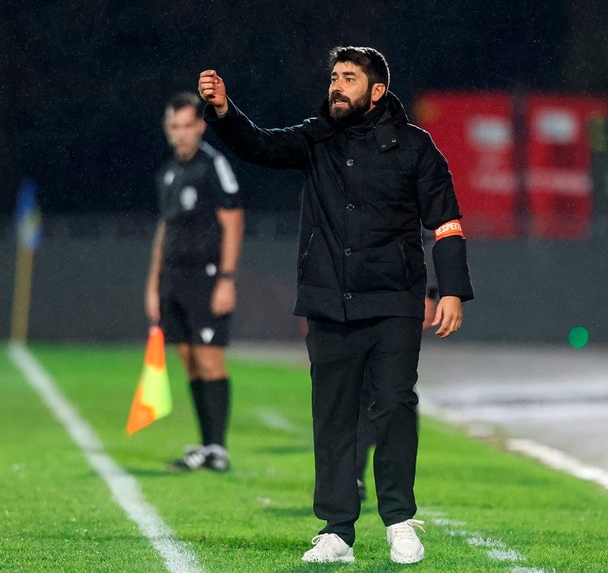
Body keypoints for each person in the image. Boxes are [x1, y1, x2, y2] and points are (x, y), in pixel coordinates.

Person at [198, 46, 473, 564]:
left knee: (394, 407)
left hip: (394, 301)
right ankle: (337, 532)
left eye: (349, 78)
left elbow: (447, 222)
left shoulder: (416, 147)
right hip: (329, 303)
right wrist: (223, 111)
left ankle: (399, 522)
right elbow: (258, 145)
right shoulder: (316, 138)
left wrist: (453, 289)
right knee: (333, 417)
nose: (336, 86)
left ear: (377, 91)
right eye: (333, 77)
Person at [145, 92, 245, 473]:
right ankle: (206, 445)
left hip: (206, 277)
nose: (181, 133)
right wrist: (153, 285)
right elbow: (164, 229)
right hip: (174, 279)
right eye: (175, 127)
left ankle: (218, 448)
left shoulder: (213, 165)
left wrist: (227, 279)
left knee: (208, 358)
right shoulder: (168, 173)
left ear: (201, 126)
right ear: (166, 129)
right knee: (188, 359)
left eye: (188, 125)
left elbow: (233, 221)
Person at [355, 230, 438, 502]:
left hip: (401, 296)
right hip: (355, 292)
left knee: (395, 389)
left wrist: (429, 292)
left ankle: (397, 479)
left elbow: (429, 234)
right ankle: (352, 473)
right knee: (355, 385)